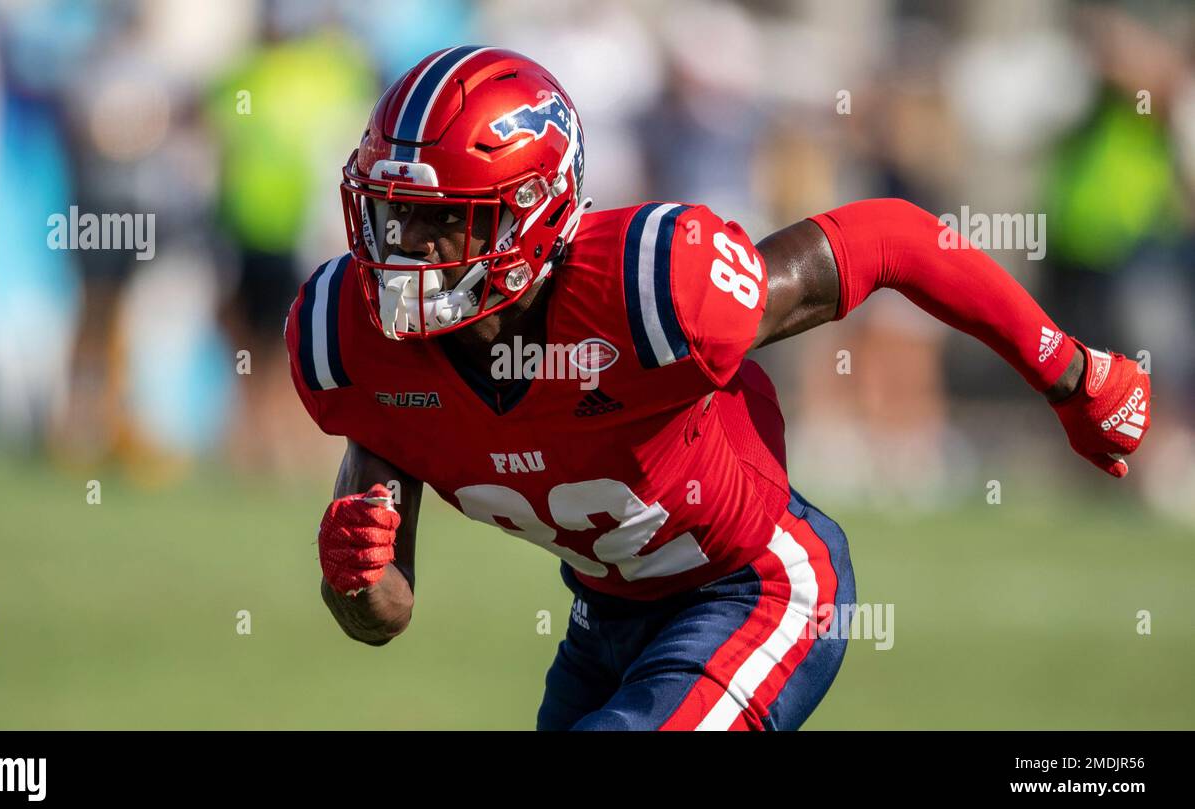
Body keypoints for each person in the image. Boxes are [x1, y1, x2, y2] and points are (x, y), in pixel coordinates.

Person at [285, 47, 1152, 730]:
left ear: (538, 210)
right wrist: (352, 579)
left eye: (447, 219)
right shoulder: (357, 346)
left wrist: (1071, 372)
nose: (411, 250)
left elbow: (889, 237)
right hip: (602, 625)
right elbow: (382, 611)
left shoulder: (649, 290)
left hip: (755, 585)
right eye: (394, 215)